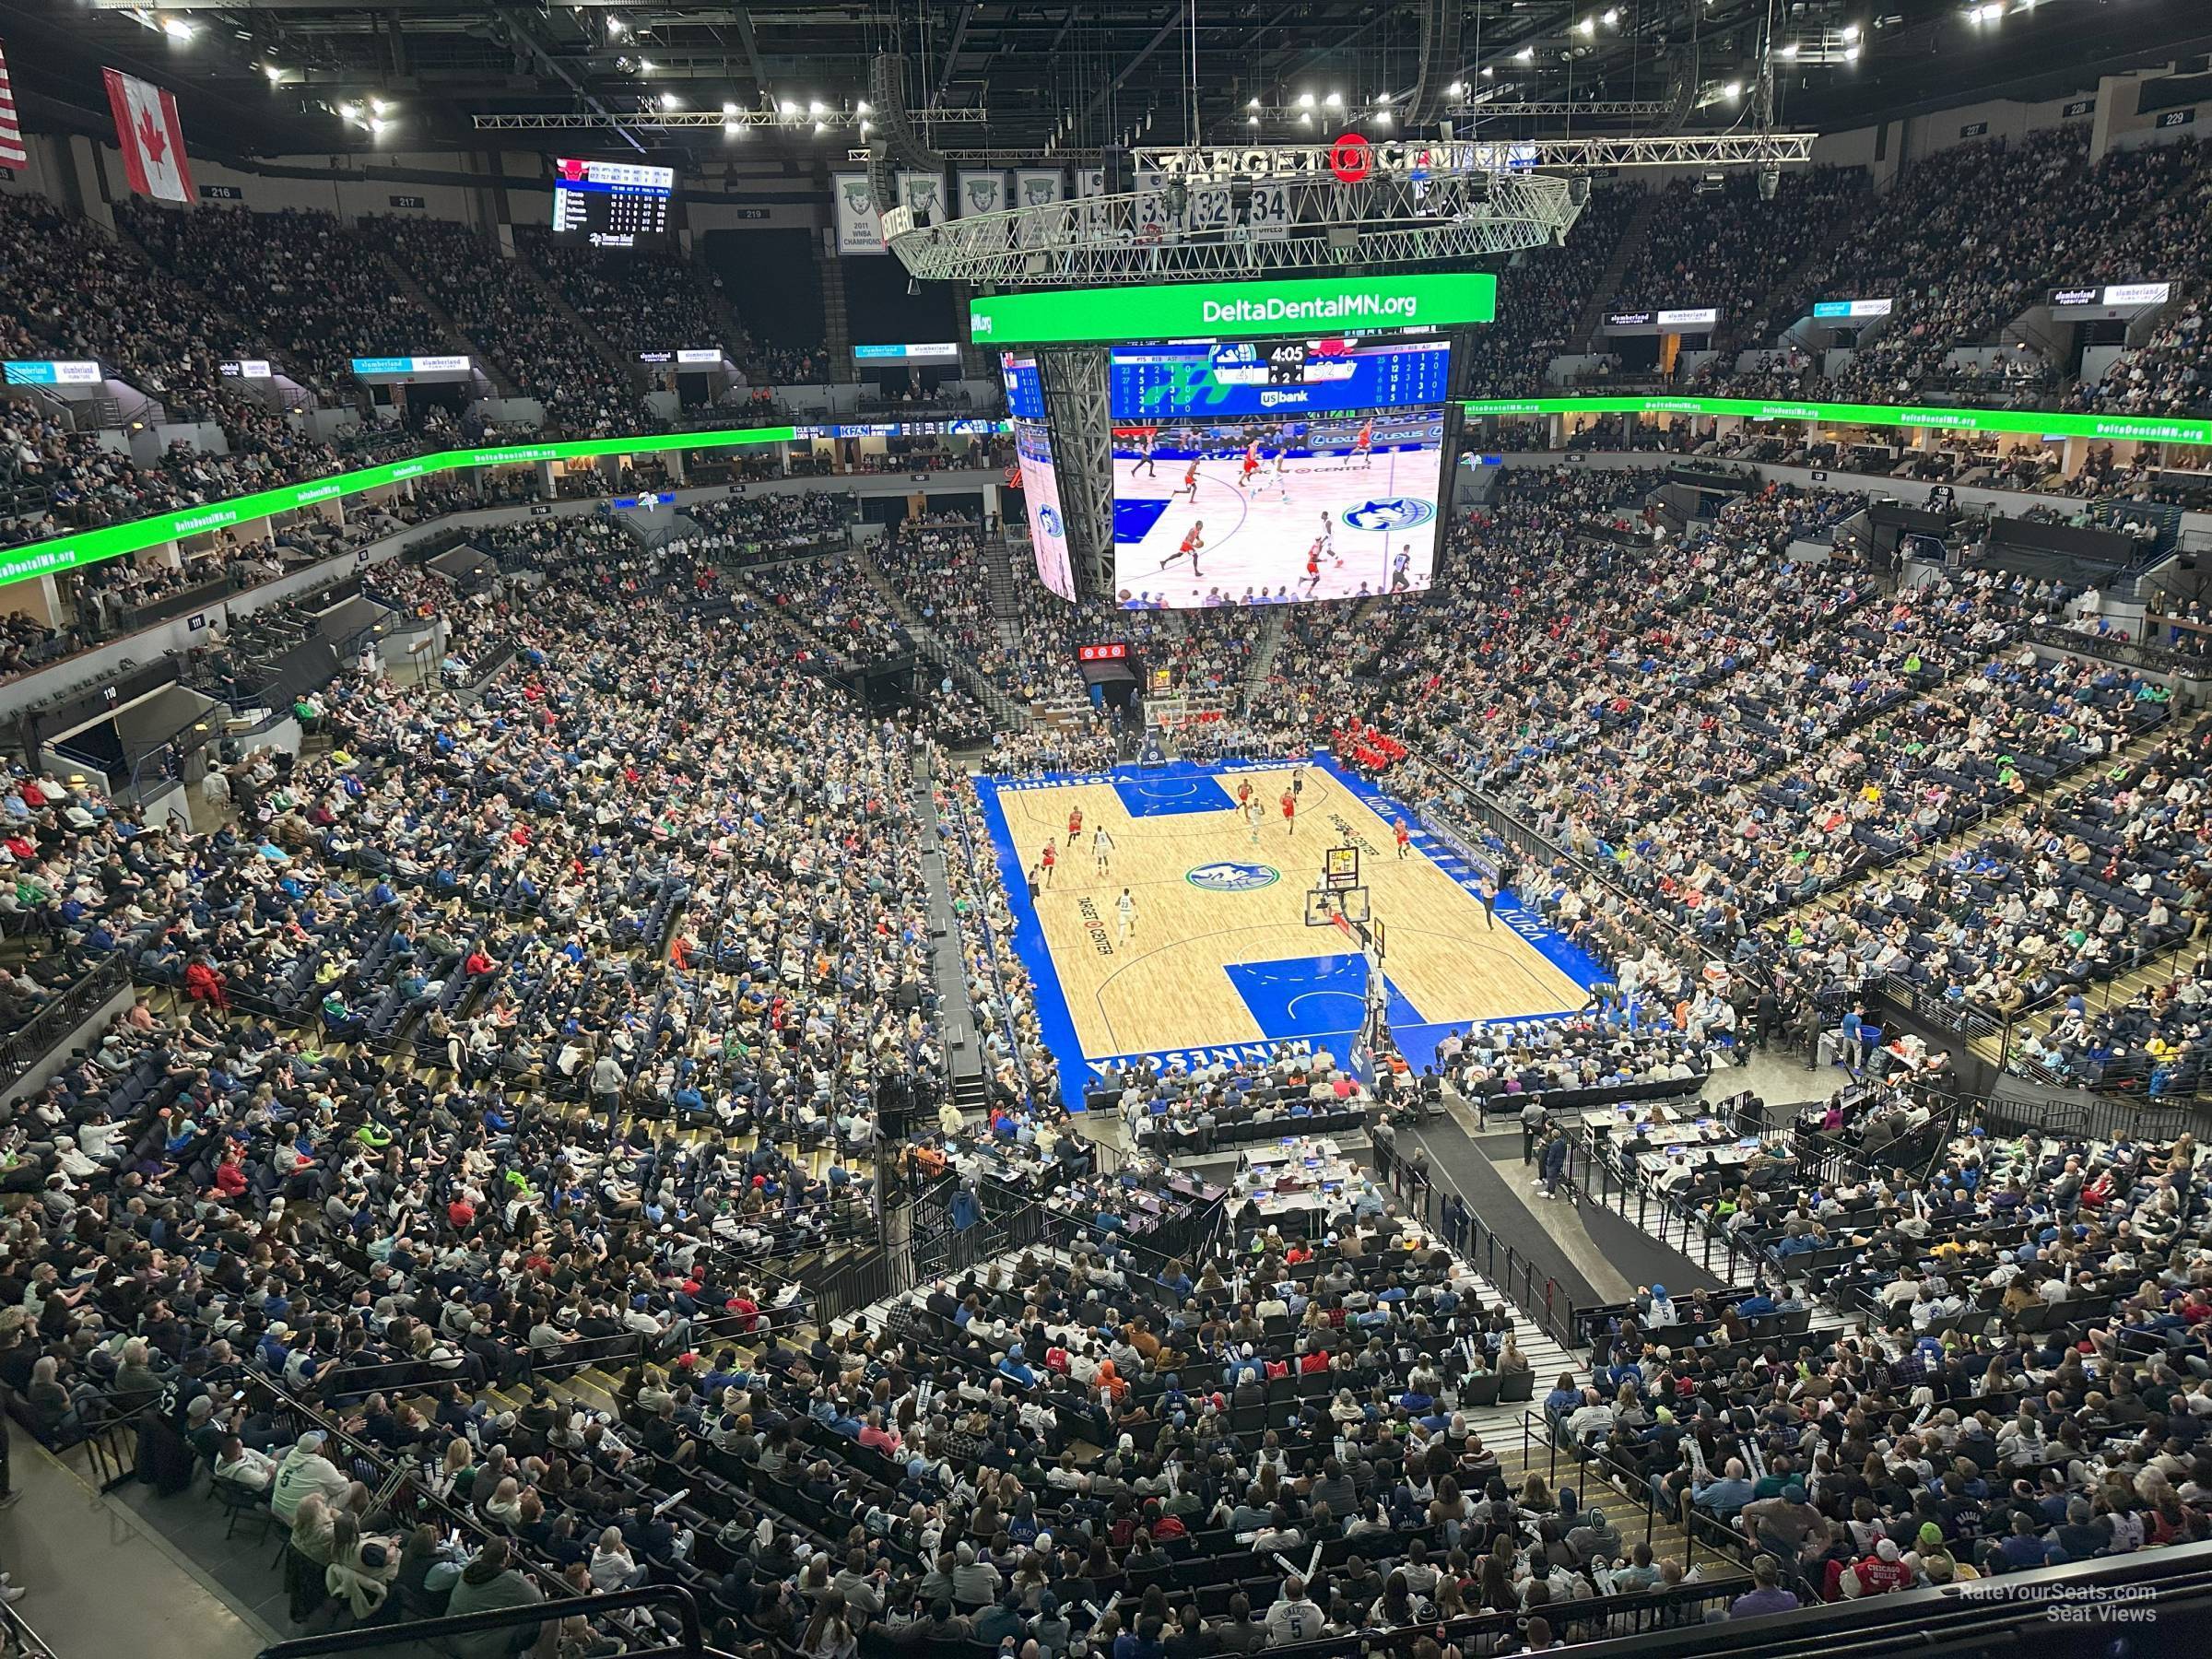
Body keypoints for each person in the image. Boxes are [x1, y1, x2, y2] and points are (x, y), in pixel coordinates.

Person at [444, 1540, 546, 1658]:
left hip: (450, 1632)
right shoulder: (514, 1581)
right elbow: (539, 1600)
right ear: (504, 1559)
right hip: (476, 1649)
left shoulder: (473, 1564)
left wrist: (523, 1584)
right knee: (552, 1620)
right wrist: (532, 1586)